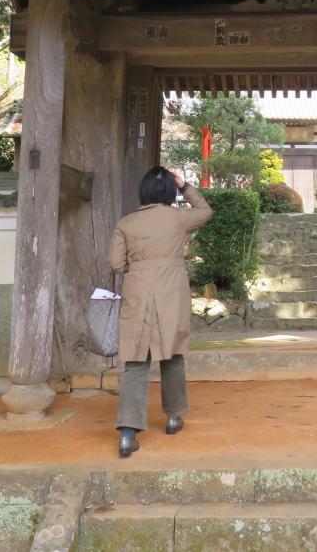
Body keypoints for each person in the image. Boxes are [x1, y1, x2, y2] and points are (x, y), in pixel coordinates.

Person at [109, 166, 213, 458]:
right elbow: (205, 211)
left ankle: (128, 433)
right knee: (173, 354)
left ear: (143, 192)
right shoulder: (178, 218)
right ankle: (173, 416)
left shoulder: (126, 223)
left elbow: (116, 264)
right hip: (171, 293)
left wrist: (140, 269)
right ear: (169, 191)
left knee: (136, 360)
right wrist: (185, 186)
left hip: (138, 292)